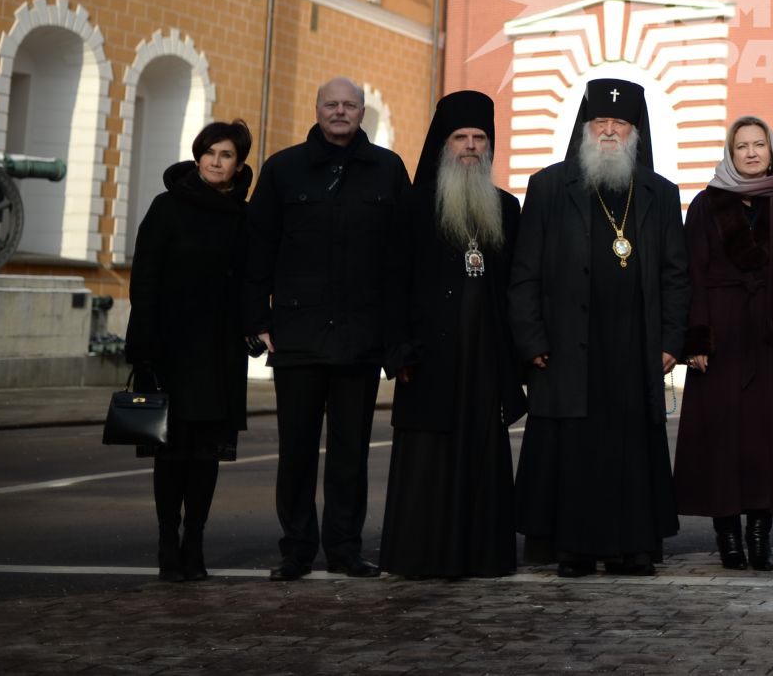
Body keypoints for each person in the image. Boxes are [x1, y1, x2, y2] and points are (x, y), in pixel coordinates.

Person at [510, 78, 688, 577]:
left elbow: (677, 275)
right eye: (601, 123)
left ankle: (633, 549)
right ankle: (575, 550)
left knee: (630, 452)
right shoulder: (548, 186)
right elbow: (524, 273)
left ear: (635, 133)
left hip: (636, 349)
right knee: (576, 453)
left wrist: (672, 340)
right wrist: (532, 339)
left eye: (620, 124)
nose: (609, 132)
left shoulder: (658, 192)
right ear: (586, 129)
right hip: (567, 347)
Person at [244, 77, 411, 581]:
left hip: (360, 338)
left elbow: (402, 261)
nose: (340, 112)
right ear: (316, 110)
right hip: (297, 336)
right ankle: (296, 549)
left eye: (350, 105)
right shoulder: (283, 169)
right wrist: (257, 321)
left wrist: (395, 335)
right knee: (295, 452)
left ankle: (344, 548)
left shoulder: (387, 170)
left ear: (362, 112)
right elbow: (256, 250)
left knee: (349, 455)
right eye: (331, 104)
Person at [672, 116, 773, 571]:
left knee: (767, 438)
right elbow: (693, 273)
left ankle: (759, 534)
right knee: (720, 437)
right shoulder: (707, 203)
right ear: (730, 152)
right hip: (722, 335)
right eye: (741, 146)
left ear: (770, 149)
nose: (750, 152)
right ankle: (728, 536)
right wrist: (696, 338)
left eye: (758, 144)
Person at [379, 90, 525, 578]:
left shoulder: (505, 208)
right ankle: (423, 555)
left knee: (482, 451)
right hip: (428, 355)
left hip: (485, 357)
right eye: (460, 137)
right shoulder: (414, 206)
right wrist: (397, 347)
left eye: (479, 138)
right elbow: (392, 280)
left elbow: (513, 287)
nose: (469, 146)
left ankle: (482, 555)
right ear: (443, 144)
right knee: (428, 455)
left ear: (490, 145)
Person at [124, 119, 255, 583]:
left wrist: (256, 327)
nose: (217, 162)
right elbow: (146, 281)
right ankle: (167, 541)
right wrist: (143, 349)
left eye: (226, 156)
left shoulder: (243, 216)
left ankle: (194, 542)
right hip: (171, 348)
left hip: (220, 350)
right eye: (210, 153)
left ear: (239, 165)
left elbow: (249, 282)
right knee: (172, 454)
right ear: (198, 156)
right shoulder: (167, 207)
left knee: (206, 455)